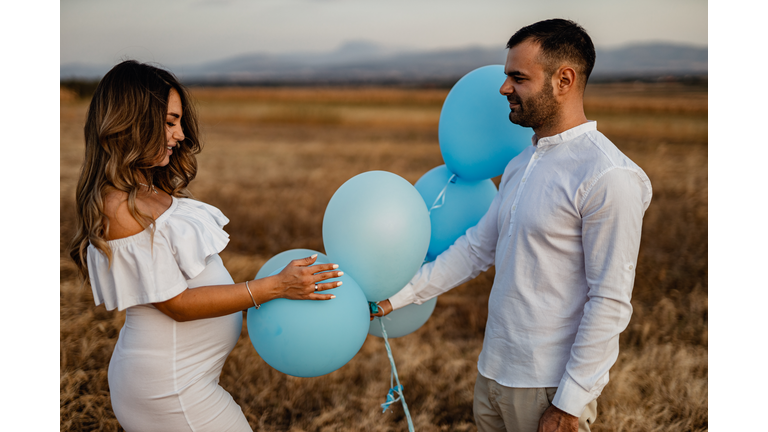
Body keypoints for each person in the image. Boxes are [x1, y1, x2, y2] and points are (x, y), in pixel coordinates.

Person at [372, 19, 652, 432]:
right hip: (493, 375)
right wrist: (396, 297)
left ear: (564, 80)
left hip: (547, 390)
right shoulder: (522, 163)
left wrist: (569, 404)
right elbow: (476, 249)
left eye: (517, 77)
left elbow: (609, 302)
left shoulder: (609, 176)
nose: (504, 88)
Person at [68, 60, 344, 432]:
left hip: (183, 380)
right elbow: (176, 305)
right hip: (169, 388)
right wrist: (276, 286)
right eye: (169, 122)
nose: (180, 134)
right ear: (131, 122)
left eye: (179, 122)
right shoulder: (118, 206)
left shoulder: (149, 191)